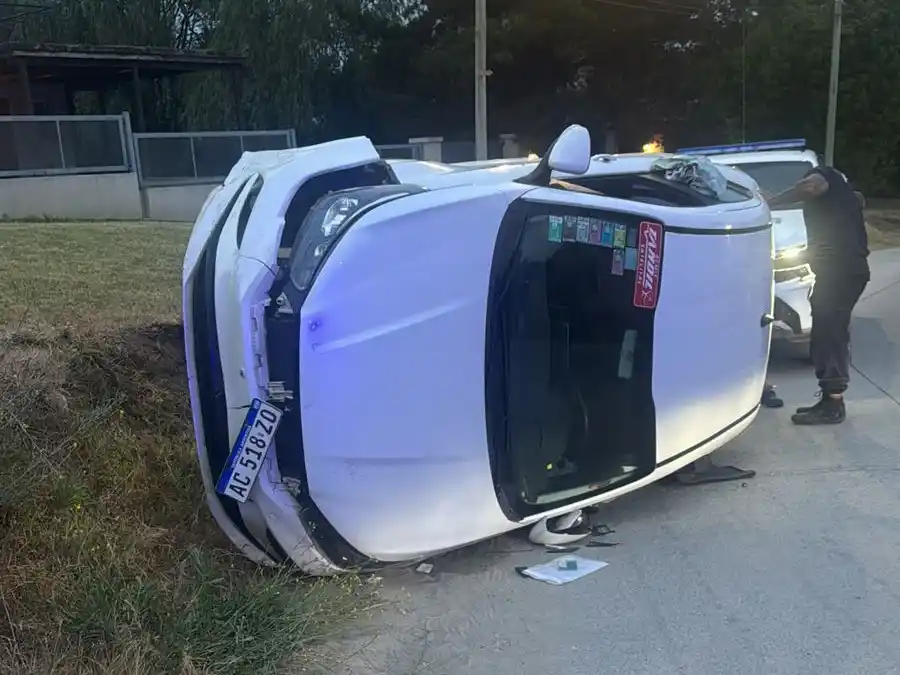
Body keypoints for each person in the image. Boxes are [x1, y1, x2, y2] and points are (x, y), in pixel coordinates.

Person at [765, 165, 870, 424]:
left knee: (830, 334)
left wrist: (771, 202)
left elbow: (810, 186)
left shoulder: (826, 178)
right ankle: (829, 398)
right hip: (840, 272)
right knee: (826, 332)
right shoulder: (843, 198)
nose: (808, 187)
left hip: (841, 273)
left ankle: (833, 405)